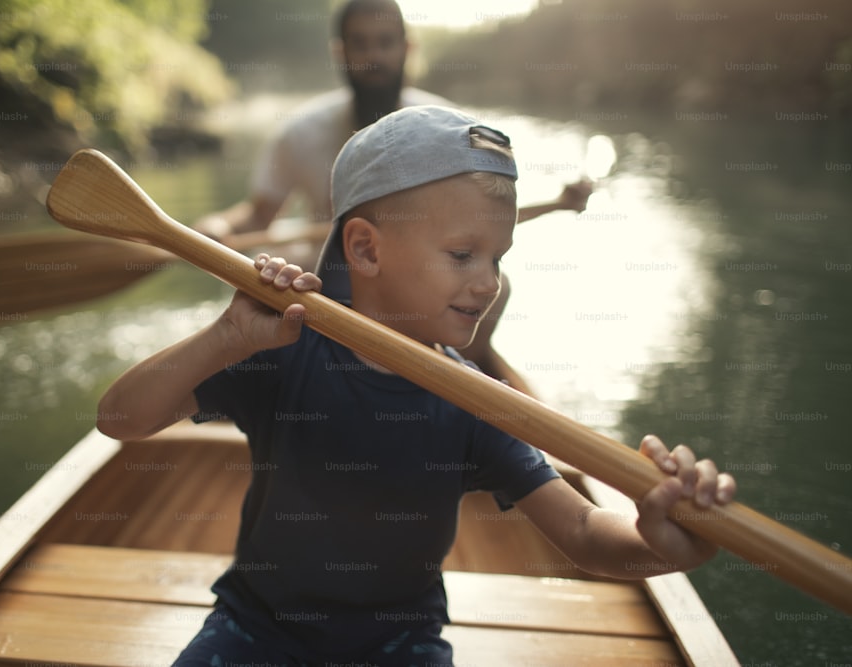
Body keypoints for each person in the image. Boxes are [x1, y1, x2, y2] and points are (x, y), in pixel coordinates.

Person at [97, 105, 736, 667]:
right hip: (255, 629)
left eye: (497, 258)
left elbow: (587, 536)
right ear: (367, 251)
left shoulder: (477, 403)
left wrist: (663, 545)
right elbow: (120, 419)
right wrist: (226, 338)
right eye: (463, 255)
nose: (489, 283)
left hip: (398, 646)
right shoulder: (283, 351)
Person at [196, 0, 592, 394]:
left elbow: (479, 225)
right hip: (328, 285)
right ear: (341, 52)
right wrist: (216, 228)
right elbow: (258, 218)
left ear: (407, 48)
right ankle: (313, 385)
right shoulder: (301, 133)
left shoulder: (449, 127)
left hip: (417, 283)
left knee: (499, 285)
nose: (374, 57)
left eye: (385, 42)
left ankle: (458, 371)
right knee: (291, 275)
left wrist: (558, 202)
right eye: (361, 44)